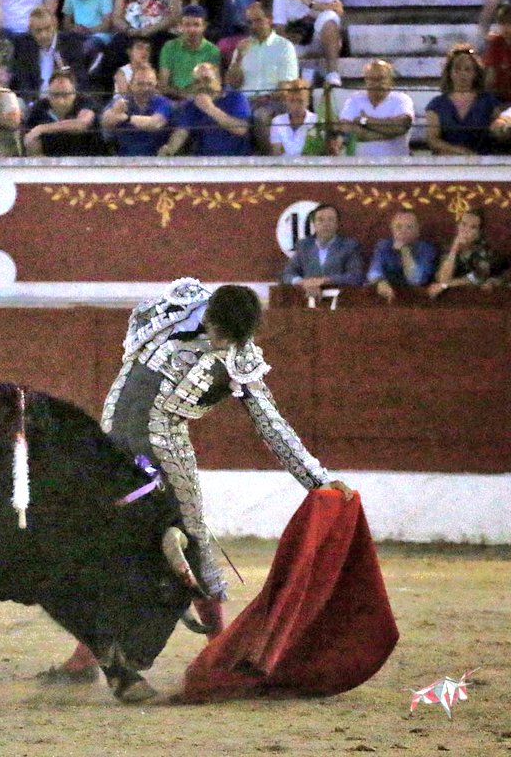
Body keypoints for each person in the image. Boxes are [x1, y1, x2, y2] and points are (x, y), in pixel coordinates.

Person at [39, 279, 352, 689]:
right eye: (218, 331)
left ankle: (219, 651)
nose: (220, 342)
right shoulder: (175, 307)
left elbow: (272, 425)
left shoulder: (239, 357)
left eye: (229, 339)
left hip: (162, 448)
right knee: (111, 546)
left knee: (189, 541)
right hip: (112, 438)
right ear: (210, 316)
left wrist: (317, 480)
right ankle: (88, 660)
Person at [226, 0, 297, 153]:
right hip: (245, 101)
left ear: (269, 19)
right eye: (250, 22)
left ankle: (269, 161)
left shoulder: (284, 47)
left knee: (260, 115)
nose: (253, 26)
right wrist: (238, 59)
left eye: (258, 20)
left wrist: (264, 98)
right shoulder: (242, 47)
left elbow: (286, 87)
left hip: (274, 101)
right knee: (224, 115)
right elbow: (233, 83)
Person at [271, 0, 343, 87]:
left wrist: (310, 3)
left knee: (329, 17)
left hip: (320, 38)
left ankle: (333, 73)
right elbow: (279, 28)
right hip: (297, 42)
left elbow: (338, 9)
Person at [159, 61, 251, 156]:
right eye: (197, 82)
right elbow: (181, 132)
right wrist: (169, 149)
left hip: (236, 159)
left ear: (218, 80)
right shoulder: (192, 104)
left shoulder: (235, 96)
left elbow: (241, 129)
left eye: (206, 80)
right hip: (204, 159)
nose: (202, 85)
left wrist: (210, 109)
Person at [425, 44, 502, 157]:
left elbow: (500, 132)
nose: (462, 74)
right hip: (448, 162)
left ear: (475, 73)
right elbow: (432, 140)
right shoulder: (437, 104)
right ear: (449, 73)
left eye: (468, 69)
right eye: (457, 69)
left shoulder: (489, 101)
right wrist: (460, 152)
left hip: (484, 162)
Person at [280, 203, 364, 299]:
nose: (325, 224)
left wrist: (324, 281)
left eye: (330, 220)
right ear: (314, 224)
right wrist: (303, 282)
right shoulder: (304, 246)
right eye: (320, 220)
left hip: (341, 301)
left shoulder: (350, 246)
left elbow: (356, 277)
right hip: (307, 301)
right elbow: (287, 274)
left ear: (337, 224)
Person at [338, 59, 414, 158]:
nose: (377, 83)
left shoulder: (401, 99)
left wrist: (364, 121)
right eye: (372, 79)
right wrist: (390, 133)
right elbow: (347, 128)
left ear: (390, 80)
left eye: (381, 78)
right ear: (366, 80)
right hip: (359, 164)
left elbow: (401, 126)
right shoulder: (355, 99)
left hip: (395, 163)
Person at [11, 6, 88, 103]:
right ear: (30, 30)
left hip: (64, 101)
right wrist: (31, 103)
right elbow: (23, 81)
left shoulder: (71, 44)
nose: (44, 34)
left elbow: (79, 80)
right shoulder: (24, 45)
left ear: (55, 25)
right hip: (34, 102)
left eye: (47, 28)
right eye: (38, 30)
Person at [426, 210, 507, 299]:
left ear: (479, 233)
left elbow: (476, 278)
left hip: (480, 296)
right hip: (451, 298)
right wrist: (454, 249)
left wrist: (445, 285)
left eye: (473, 227)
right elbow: (442, 279)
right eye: (463, 224)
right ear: (458, 226)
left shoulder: (484, 251)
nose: (466, 230)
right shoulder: (448, 246)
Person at [23, 67, 100, 156]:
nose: (60, 101)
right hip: (49, 161)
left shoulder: (85, 102)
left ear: (74, 92)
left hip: (88, 160)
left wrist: (43, 128)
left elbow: (81, 124)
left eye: (65, 95)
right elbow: (30, 136)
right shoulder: (40, 107)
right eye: (55, 95)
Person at [366, 211, 438, 303]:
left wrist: (405, 250)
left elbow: (416, 280)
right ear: (392, 230)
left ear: (418, 231)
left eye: (409, 227)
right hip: (385, 296)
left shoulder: (427, 249)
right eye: (398, 227)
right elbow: (373, 271)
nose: (403, 231)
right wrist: (380, 282)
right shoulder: (383, 246)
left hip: (415, 299)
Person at [101, 63, 171, 155]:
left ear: (156, 84)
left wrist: (126, 118)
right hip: (123, 159)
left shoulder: (164, 102)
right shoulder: (121, 101)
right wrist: (114, 111)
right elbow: (105, 121)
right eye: (140, 84)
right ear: (131, 85)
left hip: (155, 159)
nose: (145, 88)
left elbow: (155, 123)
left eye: (150, 84)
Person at [158, 3, 221, 99]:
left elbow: (216, 87)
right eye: (187, 25)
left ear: (204, 26)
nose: (192, 29)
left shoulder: (212, 51)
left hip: (202, 100)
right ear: (180, 26)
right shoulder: (169, 47)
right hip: (175, 99)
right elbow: (163, 85)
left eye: (196, 25)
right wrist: (185, 95)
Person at [269, 76, 315, 156]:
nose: (295, 105)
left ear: (307, 102)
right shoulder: (277, 121)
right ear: (286, 101)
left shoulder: (316, 121)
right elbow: (277, 153)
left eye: (300, 101)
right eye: (292, 101)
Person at [482, 3, 511, 104]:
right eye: (502, 23)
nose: (506, 28)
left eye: (509, 23)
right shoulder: (496, 44)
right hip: (500, 98)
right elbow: (490, 76)